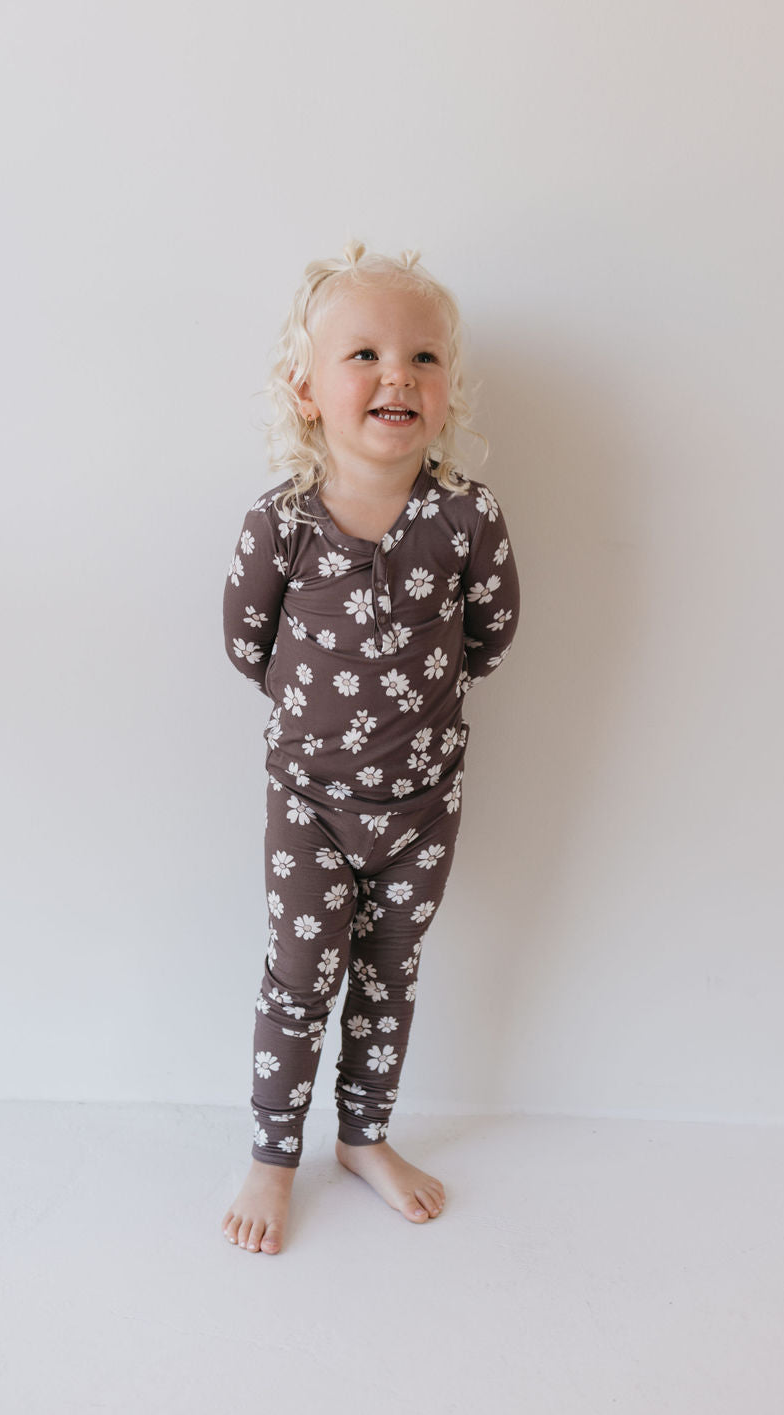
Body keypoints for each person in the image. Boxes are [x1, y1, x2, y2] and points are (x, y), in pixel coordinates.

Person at [220, 242, 520, 1253]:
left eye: (424, 358)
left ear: (446, 392)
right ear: (305, 388)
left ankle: (363, 1135)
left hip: (424, 802)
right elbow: (244, 644)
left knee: (391, 971)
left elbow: (492, 634)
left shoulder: (466, 518)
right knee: (299, 975)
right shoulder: (280, 526)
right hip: (308, 798)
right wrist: (326, 723)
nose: (398, 373)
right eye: (365, 354)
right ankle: (271, 1155)